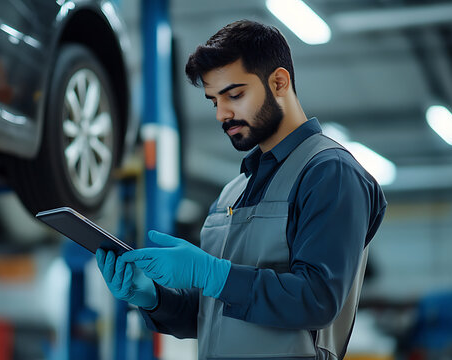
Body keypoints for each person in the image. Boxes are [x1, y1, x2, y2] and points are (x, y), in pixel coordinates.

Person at [95, 19, 387, 360]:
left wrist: (209, 273)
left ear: (279, 82)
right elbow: (215, 312)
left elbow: (317, 300)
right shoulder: (233, 191)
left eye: (234, 95)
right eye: (213, 101)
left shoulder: (329, 173)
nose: (222, 113)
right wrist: (153, 298)